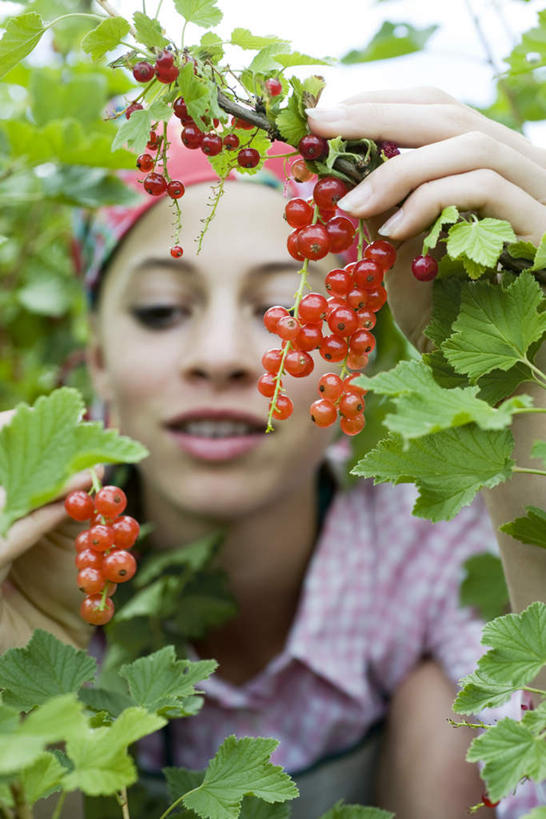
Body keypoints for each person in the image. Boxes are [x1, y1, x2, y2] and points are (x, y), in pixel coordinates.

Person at [0, 87, 544, 819]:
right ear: (97, 358)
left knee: (436, 701)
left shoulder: (431, 555)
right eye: (163, 310)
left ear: (354, 358)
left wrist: (527, 419)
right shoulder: (36, 559)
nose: (222, 357)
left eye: (283, 310)